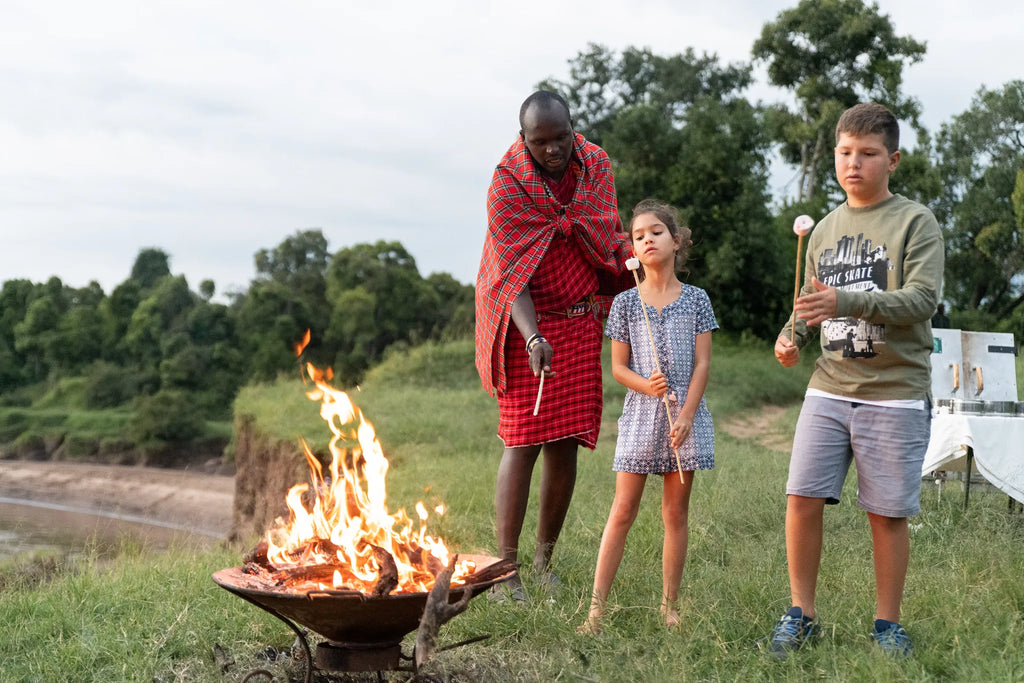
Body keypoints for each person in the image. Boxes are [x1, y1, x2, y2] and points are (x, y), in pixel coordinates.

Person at [760, 102, 944, 658]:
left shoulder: (916, 221)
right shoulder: (824, 229)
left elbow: (921, 299)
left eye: (867, 154)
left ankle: (888, 625)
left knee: (886, 514)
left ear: (893, 159)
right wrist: (791, 335)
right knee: (801, 497)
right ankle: (801, 615)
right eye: (844, 153)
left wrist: (849, 299)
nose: (853, 163)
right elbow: (813, 304)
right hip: (829, 386)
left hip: (895, 392)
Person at [475, 90, 632, 601]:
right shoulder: (507, 184)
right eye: (540, 141)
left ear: (573, 129)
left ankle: (544, 562)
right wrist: (534, 335)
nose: (552, 150)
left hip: (581, 316)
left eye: (560, 138)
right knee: (522, 440)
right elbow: (511, 272)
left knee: (565, 442)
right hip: (526, 321)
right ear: (524, 139)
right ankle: (505, 570)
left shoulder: (596, 166)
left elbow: (605, 233)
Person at [579, 200, 716, 634]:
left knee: (675, 515)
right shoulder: (624, 302)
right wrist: (646, 385)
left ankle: (669, 607)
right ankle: (596, 611)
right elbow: (618, 367)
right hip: (642, 414)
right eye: (638, 236)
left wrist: (688, 414)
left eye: (656, 232)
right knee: (623, 509)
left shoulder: (697, 300)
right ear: (633, 251)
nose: (647, 240)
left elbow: (702, 365)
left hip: (683, 416)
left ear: (676, 241)